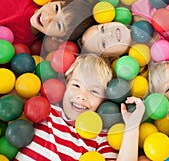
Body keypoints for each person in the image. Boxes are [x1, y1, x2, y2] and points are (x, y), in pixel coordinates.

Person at [15, 53, 146, 161]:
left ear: (105, 100)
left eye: (94, 91)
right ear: (65, 84)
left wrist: (132, 126)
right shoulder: (45, 110)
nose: (82, 96)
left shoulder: (100, 137)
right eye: (76, 86)